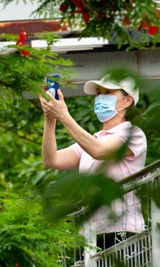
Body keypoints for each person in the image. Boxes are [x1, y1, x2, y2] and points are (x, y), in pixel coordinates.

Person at [39, 74, 147, 251]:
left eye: (108, 92)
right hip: (90, 236)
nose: (100, 97)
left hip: (123, 230)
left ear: (127, 101)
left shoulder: (133, 134)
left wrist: (64, 116)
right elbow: (51, 159)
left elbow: (99, 151)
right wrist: (50, 118)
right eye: (98, 93)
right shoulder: (93, 140)